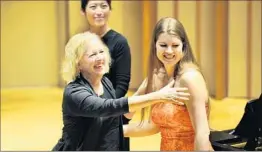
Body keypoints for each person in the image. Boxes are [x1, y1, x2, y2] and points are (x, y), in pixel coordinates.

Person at [52, 32, 190, 151]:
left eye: (101, 52)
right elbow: (107, 108)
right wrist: (159, 96)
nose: (100, 58)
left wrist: (144, 87)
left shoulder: (105, 82)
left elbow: (119, 118)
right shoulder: (74, 93)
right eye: (92, 54)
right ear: (78, 63)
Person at [123, 17, 214, 151]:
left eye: (175, 45)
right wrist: (115, 131)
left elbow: (202, 133)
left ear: (184, 47)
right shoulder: (156, 77)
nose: (169, 51)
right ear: (155, 46)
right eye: (163, 45)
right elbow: (153, 125)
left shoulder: (189, 78)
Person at [80, 0, 132, 149]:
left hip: (113, 112)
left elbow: (122, 83)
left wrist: (104, 109)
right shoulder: (80, 42)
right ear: (83, 11)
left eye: (104, 6)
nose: (99, 11)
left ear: (110, 9)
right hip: (86, 112)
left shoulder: (119, 42)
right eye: (93, 6)